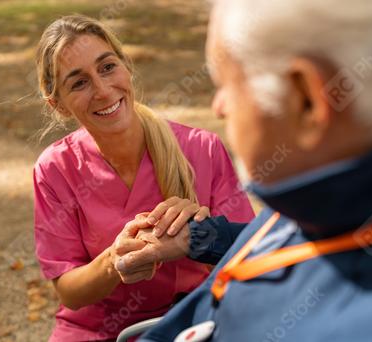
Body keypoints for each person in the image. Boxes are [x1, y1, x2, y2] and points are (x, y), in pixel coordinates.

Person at [113, 0, 372, 340]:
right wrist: (199, 238)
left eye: (227, 84)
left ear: (306, 99)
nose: (218, 107)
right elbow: (292, 244)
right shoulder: (333, 177)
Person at [32, 14, 254, 341]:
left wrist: (200, 236)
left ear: (126, 66)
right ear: (59, 105)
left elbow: (249, 258)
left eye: (107, 67)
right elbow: (69, 292)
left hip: (193, 318)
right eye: (79, 82)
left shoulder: (202, 149)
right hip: (95, 330)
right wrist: (114, 260)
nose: (103, 90)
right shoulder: (55, 169)